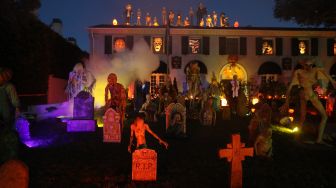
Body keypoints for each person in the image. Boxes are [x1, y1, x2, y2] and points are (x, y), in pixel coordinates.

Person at [281, 59, 336, 144]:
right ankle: (316, 139)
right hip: (307, 95)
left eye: (311, 65)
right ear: (304, 65)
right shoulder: (300, 72)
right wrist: (286, 102)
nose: (309, 67)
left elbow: (327, 75)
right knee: (321, 117)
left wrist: (332, 82)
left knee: (310, 117)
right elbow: (290, 87)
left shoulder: (312, 70)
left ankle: (304, 138)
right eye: (307, 65)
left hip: (306, 94)